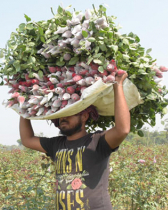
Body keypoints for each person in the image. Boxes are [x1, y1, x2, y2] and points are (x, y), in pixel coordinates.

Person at [19, 72, 130, 210]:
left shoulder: (97, 141)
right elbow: (27, 139)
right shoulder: (56, 145)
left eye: (69, 113)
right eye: (61, 114)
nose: (63, 118)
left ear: (84, 116)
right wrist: (24, 108)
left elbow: (122, 129)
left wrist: (117, 85)